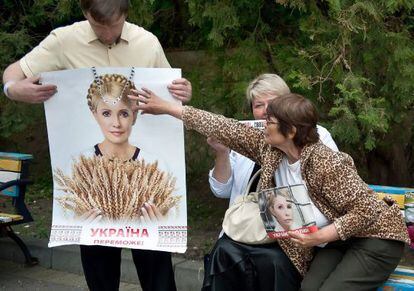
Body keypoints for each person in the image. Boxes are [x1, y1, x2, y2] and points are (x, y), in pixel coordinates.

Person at [131, 89, 409, 291]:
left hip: (375, 239)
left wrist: (320, 236)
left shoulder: (326, 162)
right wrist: (168, 108)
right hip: (336, 242)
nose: (263, 124)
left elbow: (368, 209)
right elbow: (224, 126)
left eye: (270, 122)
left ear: (290, 131)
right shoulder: (271, 150)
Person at [2, 1, 191, 290]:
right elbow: (13, 74)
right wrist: (13, 89)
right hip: (90, 188)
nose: (106, 35)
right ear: (85, 13)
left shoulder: (147, 43)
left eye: (113, 26)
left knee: (158, 275)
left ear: (126, 14)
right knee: (100, 275)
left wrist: (182, 91)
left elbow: (170, 91)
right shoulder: (63, 41)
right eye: (97, 26)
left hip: (146, 187)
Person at [202, 74, 338, 290]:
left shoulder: (316, 135)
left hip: (292, 233)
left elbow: (330, 193)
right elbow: (221, 190)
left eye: (272, 103)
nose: (265, 110)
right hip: (248, 229)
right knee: (224, 251)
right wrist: (222, 153)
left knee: (274, 263)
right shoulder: (244, 137)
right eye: (258, 105)